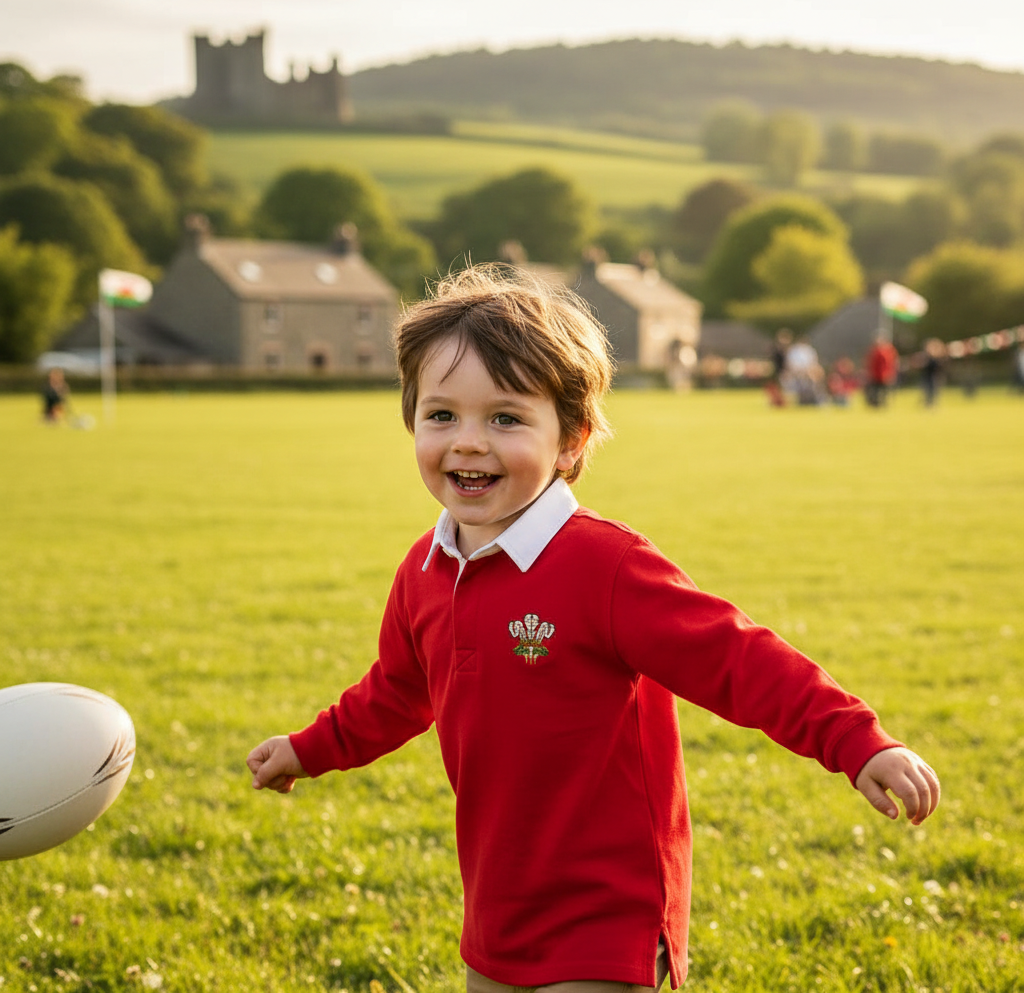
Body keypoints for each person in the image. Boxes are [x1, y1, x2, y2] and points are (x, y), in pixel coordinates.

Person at [247, 265, 940, 992]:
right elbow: (396, 692)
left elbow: (738, 659)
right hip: (498, 908)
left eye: (506, 418)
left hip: (610, 912)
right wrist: (309, 748)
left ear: (572, 441)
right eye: (441, 415)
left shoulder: (605, 567)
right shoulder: (424, 570)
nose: (469, 443)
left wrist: (857, 739)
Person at [864, 332, 899, 408]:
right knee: (875, 391)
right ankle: (875, 404)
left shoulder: (888, 350)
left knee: (884, 392)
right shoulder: (874, 350)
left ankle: (882, 405)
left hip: (884, 374)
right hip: (875, 374)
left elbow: (891, 363)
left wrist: (890, 374)